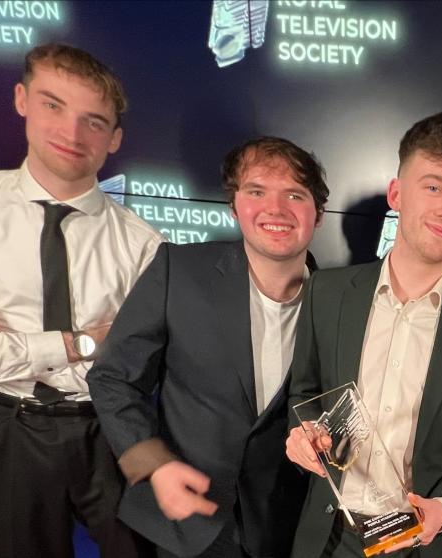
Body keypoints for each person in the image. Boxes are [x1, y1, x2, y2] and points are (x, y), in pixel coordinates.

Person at [284, 112, 442, 558]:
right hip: (329, 535)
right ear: (396, 193)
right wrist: (301, 433)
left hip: (419, 543)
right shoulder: (327, 293)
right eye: (433, 186)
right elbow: (303, 392)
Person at [87, 137, 328, 558]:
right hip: (190, 525)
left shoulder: (341, 302)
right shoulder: (176, 270)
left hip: (292, 531)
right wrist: (154, 465)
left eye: (294, 194)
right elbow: (113, 378)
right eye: (256, 191)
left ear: (318, 214)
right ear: (235, 206)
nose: (275, 208)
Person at [0, 43, 162, 557]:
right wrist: (79, 342)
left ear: (114, 138)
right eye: (53, 105)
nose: (71, 134)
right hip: (4, 427)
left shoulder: (145, 245)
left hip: (111, 428)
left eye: (94, 121)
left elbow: (136, 362)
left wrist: (8, 343)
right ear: (21, 100)